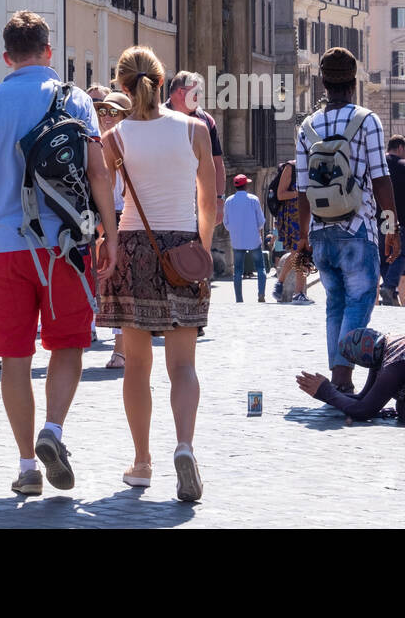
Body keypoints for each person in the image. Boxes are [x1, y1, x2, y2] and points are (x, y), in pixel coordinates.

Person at [0, 11, 117, 497]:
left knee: (14, 356)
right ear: (49, 51)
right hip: (65, 244)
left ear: (6, 56)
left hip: (3, 245)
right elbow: (99, 174)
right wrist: (110, 234)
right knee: (67, 345)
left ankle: (27, 465)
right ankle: (54, 431)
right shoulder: (77, 100)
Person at [98, 45, 214, 502]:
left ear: (122, 89)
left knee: (137, 366)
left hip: (133, 249)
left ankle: (142, 462)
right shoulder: (194, 129)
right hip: (183, 247)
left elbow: (107, 202)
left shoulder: (115, 138)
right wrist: (201, 247)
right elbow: (208, 200)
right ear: (163, 83)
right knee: (183, 365)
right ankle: (184, 446)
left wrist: (108, 246)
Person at [296, 48, 398, 394]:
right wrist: (390, 227)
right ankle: (341, 377)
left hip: (321, 231)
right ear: (354, 82)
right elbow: (381, 177)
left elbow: (301, 187)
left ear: (322, 82)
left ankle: (338, 372)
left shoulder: (307, 127)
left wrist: (303, 237)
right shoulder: (367, 120)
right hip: (358, 227)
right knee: (360, 299)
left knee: (334, 302)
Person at [90, 86, 131, 365]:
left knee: (119, 283)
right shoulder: (94, 143)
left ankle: (121, 348)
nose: (106, 115)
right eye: (102, 110)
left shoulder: (132, 144)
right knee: (95, 277)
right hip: (97, 217)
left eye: (112, 111)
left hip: (125, 217)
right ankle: (88, 328)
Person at [165, 71, 225, 223]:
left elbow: (217, 163)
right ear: (181, 92)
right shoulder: (157, 118)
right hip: (164, 198)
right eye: (196, 92)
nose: (199, 97)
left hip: (198, 199)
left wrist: (219, 200)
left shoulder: (206, 121)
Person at [378, 136, 405, 306]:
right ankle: (389, 287)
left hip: (380, 217)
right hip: (401, 217)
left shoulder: (378, 164)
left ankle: (391, 293)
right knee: (403, 253)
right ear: (401, 147)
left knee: (385, 255)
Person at [269, 159, 309, 304]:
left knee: (299, 253)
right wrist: (300, 193)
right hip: (291, 217)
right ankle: (297, 292)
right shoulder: (291, 167)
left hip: (306, 215)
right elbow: (281, 194)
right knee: (299, 252)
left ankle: (285, 286)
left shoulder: (315, 165)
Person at [223, 174, 266, 302]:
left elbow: (226, 222)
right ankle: (261, 294)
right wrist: (255, 230)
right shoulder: (253, 199)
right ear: (246, 185)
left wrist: (235, 231)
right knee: (260, 268)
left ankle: (239, 299)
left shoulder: (229, 201)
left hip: (237, 240)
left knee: (238, 271)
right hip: (253, 238)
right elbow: (261, 221)